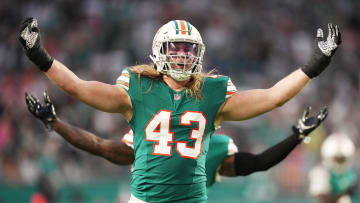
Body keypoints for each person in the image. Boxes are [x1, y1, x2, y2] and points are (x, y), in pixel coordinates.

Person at [19, 17, 341, 202]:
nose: (184, 56)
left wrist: (317, 61)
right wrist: (39, 55)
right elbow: (77, 86)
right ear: (160, 50)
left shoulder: (213, 94)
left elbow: (273, 97)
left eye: (190, 50)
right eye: (176, 48)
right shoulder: (137, 88)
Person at [26, 92, 328, 189]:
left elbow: (98, 146)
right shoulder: (212, 147)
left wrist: (55, 122)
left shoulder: (149, 139)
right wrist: (296, 136)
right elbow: (259, 163)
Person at [309, 133, 358, 203]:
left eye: (342, 160)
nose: (339, 163)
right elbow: (322, 199)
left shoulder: (351, 172)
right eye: (337, 159)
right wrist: (343, 194)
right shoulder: (321, 172)